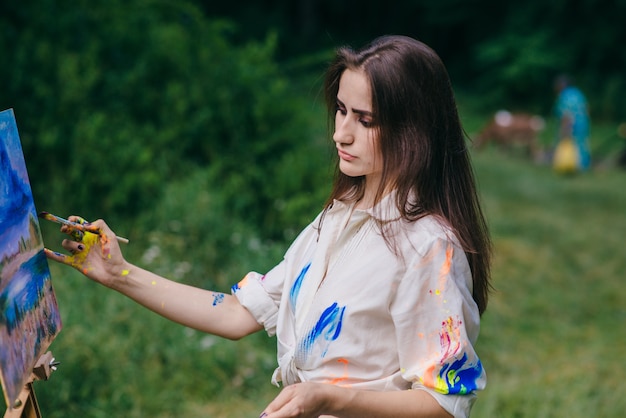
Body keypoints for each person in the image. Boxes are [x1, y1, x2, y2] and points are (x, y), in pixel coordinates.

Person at [45, 35, 492, 418]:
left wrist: (329, 397)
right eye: (340, 111)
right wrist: (118, 273)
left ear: (415, 130)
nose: (341, 133)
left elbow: (443, 402)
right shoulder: (338, 216)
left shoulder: (429, 248)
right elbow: (239, 314)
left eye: (365, 120)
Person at [553, 74, 591, 171]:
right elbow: (587, 108)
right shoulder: (578, 93)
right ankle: (585, 166)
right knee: (582, 144)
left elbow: (566, 114)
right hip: (583, 123)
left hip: (571, 124)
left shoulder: (564, 96)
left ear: (562, 85)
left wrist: (564, 129)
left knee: (570, 144)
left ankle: (572, 165)